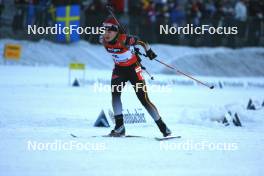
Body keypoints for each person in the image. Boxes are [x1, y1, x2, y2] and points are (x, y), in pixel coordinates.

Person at [100, 17, 171, 137]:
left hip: (134, 70)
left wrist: (149, 51)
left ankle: (163, 128)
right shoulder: (102, 39)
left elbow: (142, 42)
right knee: (115, 95)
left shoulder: (124, 39)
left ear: (116, 31)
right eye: (104, 30)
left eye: (110, 31)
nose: (106, 34)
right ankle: (119, 126)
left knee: (144, 99)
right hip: (119, 70)